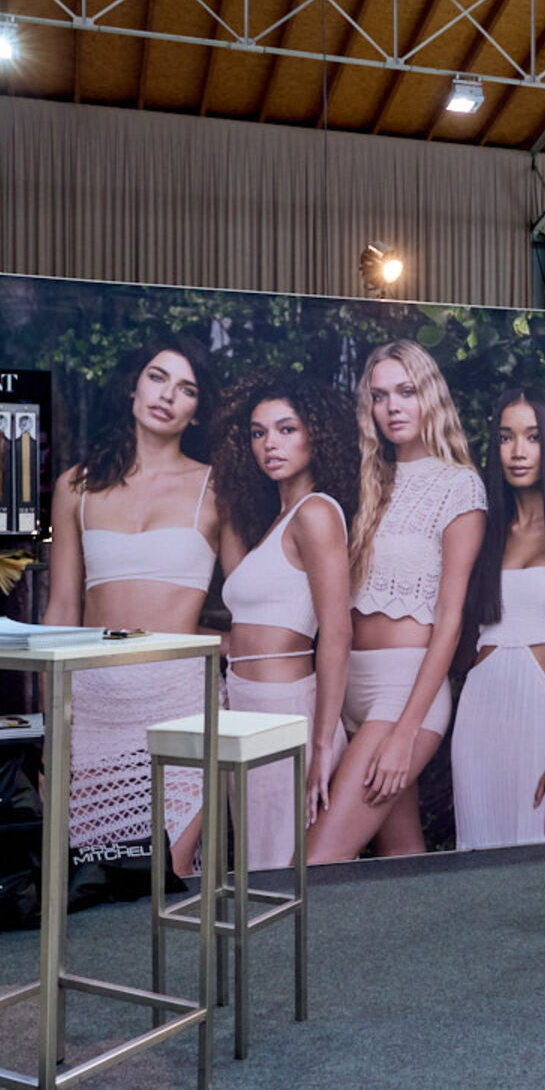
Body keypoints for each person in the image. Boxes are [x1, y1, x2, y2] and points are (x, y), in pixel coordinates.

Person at [43, 334, 221, 876]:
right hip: (93, 708)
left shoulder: (217, 487)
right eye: (157, 377)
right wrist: (53, 728)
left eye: (187, 389)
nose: (167, 395)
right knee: (91, 881)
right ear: (133, 387)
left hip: (181, 702)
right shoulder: (76, 486)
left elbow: (253, 593)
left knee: (168, 875)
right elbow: (61, 609)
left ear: (196, 411)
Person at [307, 339, 485, 863]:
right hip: (348, 690)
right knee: (401, 858)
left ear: (430, 396)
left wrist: (406, 732)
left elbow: (449, 621)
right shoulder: (367, 482)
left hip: (404, 693)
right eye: (380, 396)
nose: (393, 408)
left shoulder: (459, 487)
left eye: (406, 392)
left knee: (317, 863)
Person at [215, 371, 358, 870]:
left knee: (279, 870)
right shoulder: (277, 520)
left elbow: (337, 632)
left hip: (287, 712)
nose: (270, 444)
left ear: (315, 435)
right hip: (246, 708)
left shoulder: (316, 513)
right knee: (257, 864)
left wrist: (322, 745)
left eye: (286, 429)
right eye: (258, 433)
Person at [451, 390, 545, 849]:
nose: (518, 451)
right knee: (478, 853)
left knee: (542, 856)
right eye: (506, 437)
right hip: (480, 713)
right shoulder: (486, 531)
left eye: (532, 437)